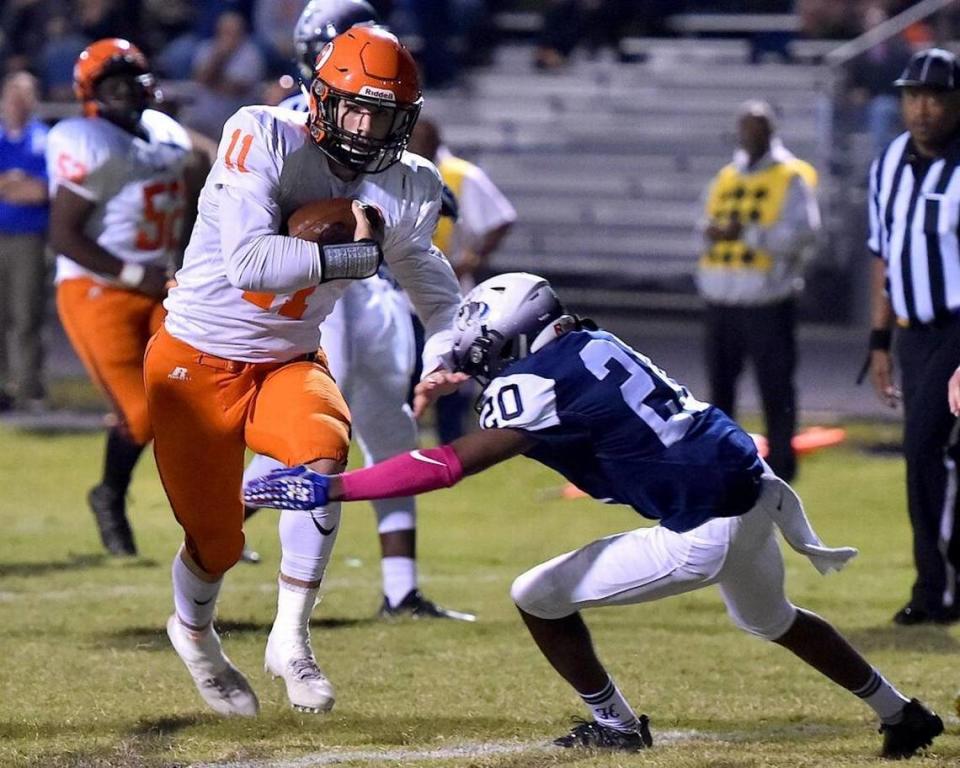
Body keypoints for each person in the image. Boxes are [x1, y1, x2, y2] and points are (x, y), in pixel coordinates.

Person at [247, 272, 944, 758]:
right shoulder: (592, 343)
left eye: (483, 344)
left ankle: (613, 724)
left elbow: (450, 464)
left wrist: (331, 489)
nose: (476, 356)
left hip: (704, 523)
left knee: (537, 597)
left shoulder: (533, 385)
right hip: (751, 486)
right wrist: (466, 365)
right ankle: (901, 713)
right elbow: (568, 394)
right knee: (772, 620)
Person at [144, 26, 463, 717]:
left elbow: (432, 282)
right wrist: (359, 257)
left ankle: (291, 640)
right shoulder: (262, 134)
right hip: (193, 360)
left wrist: (448, 351)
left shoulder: (406, 183)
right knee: (217, 541)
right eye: (354, 108)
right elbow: (251, 265)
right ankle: (195, 637)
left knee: (323, 450)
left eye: (382, 115)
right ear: (321, 96)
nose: (364, 127)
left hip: (288, 356)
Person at [240, 0, 474, 619]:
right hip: (321, 292)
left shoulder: (385, 132)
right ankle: (218, 517)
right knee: (320, 431)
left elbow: (411, 209)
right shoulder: (286, 124)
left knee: (393, 427)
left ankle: (401, 588)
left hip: (375, 290)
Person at [46, 39, 205, 557]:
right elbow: (64, 234)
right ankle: (109, 496)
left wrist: (179, 262)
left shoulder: (164, 133)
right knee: (139, 415)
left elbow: (196, 176)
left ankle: (210, 522)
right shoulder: (86, 140)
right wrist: (133, 272)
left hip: (156, 284)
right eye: (110, 84)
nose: (122, 93)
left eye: (128, 82)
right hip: (98, 288)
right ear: (91, 93)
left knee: (197, 400)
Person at [865, 48, 960, 627]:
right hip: (913, 333)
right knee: (936, 455)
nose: (922, 109)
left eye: (936, 97)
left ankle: (935, 588)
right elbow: (886, 256)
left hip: (958, 325)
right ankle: (941, 582)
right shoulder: (889, 162)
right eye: (912, 96)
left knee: (925, 449)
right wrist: (879, 339)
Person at [696, 100, 820, 483]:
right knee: (720, 389)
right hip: (721, 301)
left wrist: (749, 234)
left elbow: (804, 234)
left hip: (767, 302)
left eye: (757, 127)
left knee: (776, 388)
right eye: (744, 126)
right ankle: (724, 462)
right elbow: (702, 223)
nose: (749, 134)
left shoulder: (790, 177)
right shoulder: (726, 176)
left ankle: (782, 465)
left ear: (770, 131)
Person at [406, 116, 515, 442]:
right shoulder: (396, 171)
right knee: (405, 371)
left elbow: (501, 218)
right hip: (399, 294)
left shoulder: (460, 175)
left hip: (448, 292)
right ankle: (407, 443)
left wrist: (476, 258)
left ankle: (451, 444)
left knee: (448, 372)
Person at [0, 71, 49, 413]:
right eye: (11, 96)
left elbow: (42, 191)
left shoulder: (44, 140)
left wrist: (11, 185)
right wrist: (17, 184)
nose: (16, 104)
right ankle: (4, 386)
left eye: (23, 97)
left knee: (26, 314)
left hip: (28, 238)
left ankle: (28, 387)